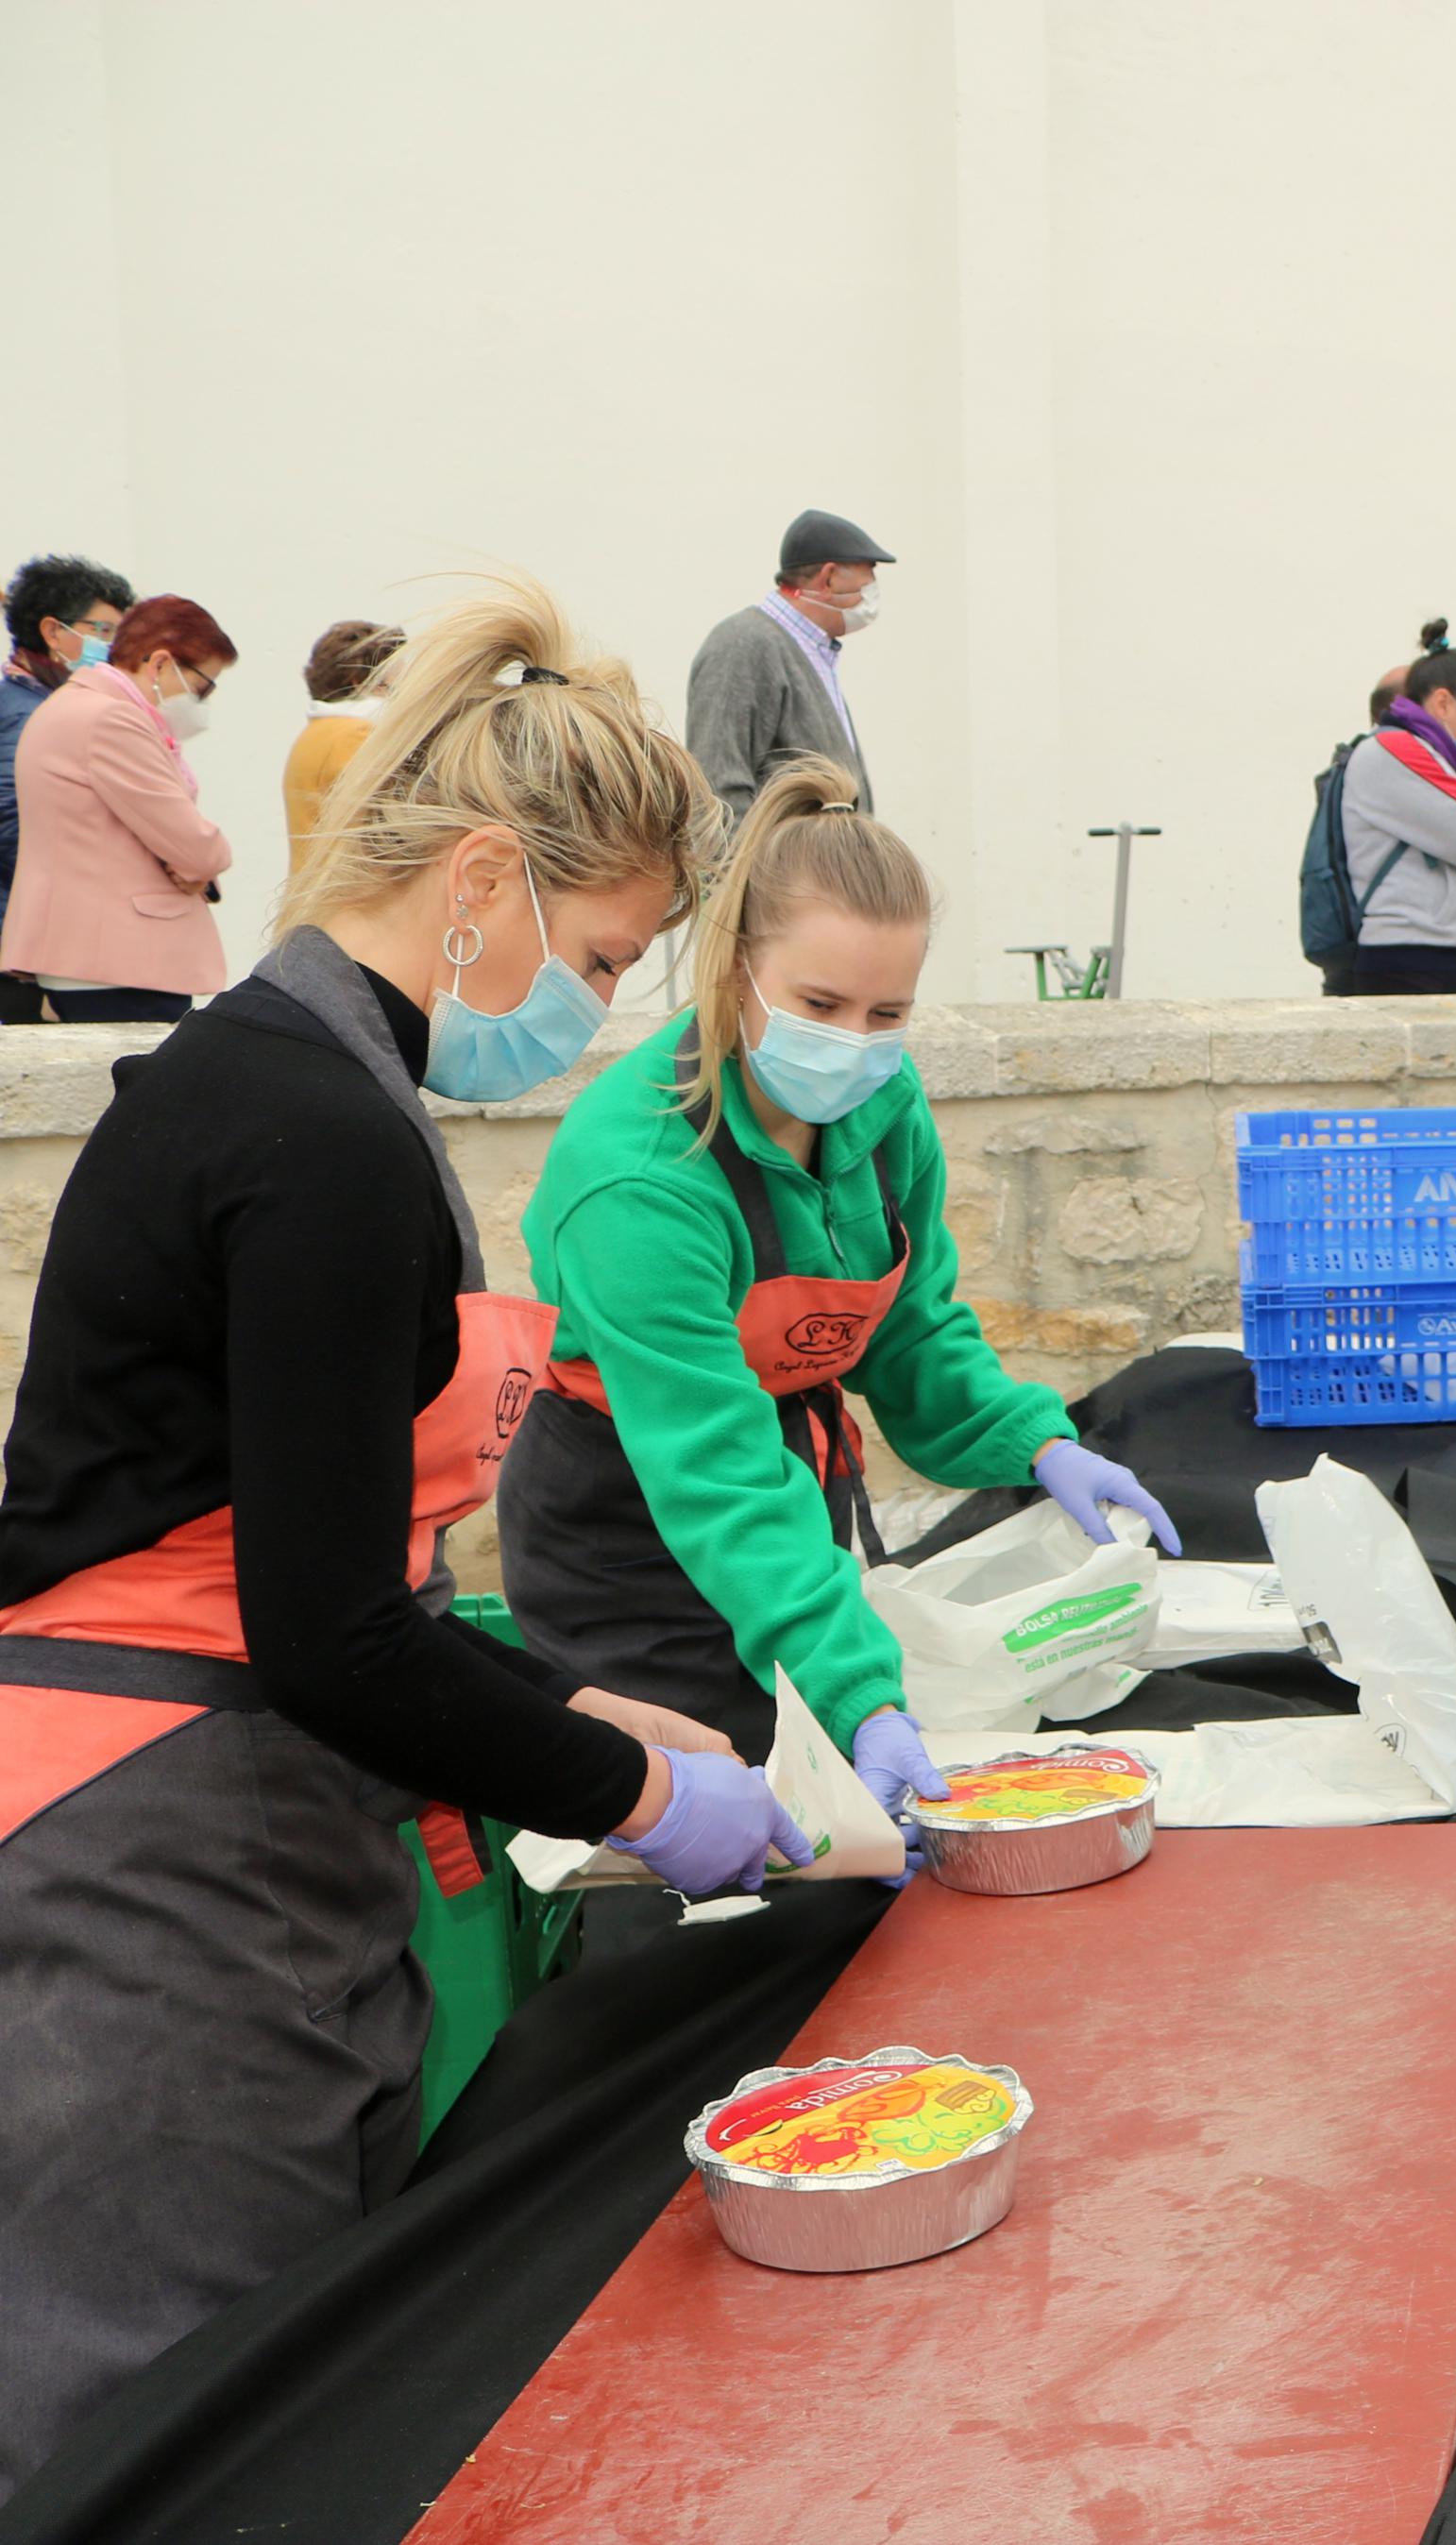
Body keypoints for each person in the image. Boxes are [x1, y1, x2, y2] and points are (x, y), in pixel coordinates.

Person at [0, 578, 799, 2490]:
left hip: (237, 1786)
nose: (594, 1008)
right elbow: (327, 1632)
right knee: (175, 2412)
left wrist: (590, 1694)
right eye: (601, 957)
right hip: (155, 1837)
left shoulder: (291, 1086)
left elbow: (323, 1568)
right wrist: (624, 1788)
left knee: (299, 2360)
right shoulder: (320, 1139)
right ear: (480, 880)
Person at [499, 755, 1181, 1798]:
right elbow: (718, 1474)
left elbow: (912, 1328)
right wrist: (863, 1693)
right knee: (721, 1808)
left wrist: (1035, 1440)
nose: (855, 1045)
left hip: (780, 1492)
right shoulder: (637, 1181)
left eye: (885, 1014)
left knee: (829, 1781)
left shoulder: (881, 1105)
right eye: (820, 1002)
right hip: (629, 1531)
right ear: (734, 970)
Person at [0, 593, 239, 1024]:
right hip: (119, 962)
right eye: (203, 686)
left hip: (91, 957)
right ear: (161, 663)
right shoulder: (112, 719)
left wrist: (187, 859)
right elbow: (196, 847)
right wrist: (207, 857)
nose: (201, 703)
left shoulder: (75, 705)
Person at [1337, 619, 1456, 997]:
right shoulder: (1396, 750)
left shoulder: (1448, 763)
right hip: (1420, 959)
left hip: (1450, 957)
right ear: (1442, 702)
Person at [684, 509, 893, 823]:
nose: (872, 587)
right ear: (829, 577)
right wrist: (744, 873)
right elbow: (717, 794)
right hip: (780, 873)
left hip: (821, 872)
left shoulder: (811, 650)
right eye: (869, 573)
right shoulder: (743, 644)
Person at [1, 555, 135, 1026]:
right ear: (54, 633)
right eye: (103, 630)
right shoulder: (26, 713)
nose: (113, 646)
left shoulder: (46, 702)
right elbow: (17, 829)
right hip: (31, 952)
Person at [283, 619, 402, 872]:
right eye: (396, 684)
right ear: (360, 680)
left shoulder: (318, 732)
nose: (402, 695)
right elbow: (389, 831)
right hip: (351, 902)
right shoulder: (356, 735)